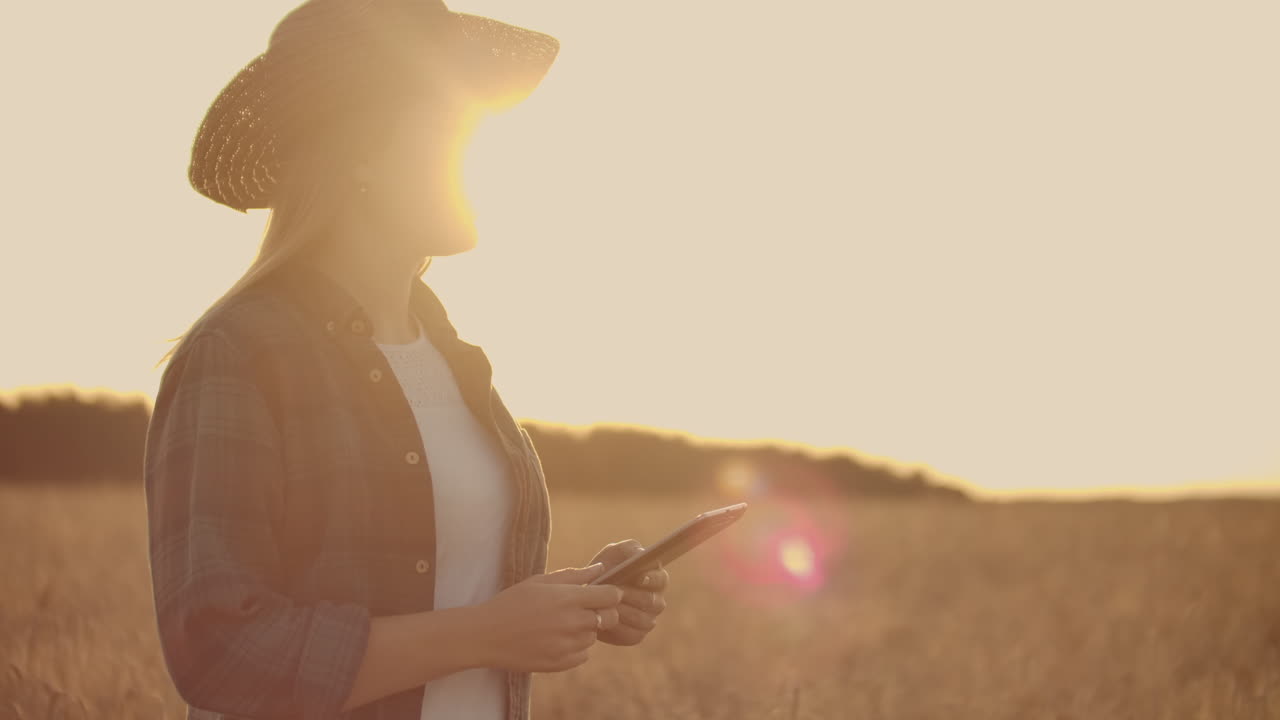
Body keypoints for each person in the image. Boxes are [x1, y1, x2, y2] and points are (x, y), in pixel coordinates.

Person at [143, 2, 669, 719]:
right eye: (452, 121)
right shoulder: (241, 353)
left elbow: (448, 590)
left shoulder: (454, 360)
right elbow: (220, 653)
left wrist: (577, 600)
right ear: (362, 146)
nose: (479, 142)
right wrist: (487, 633)